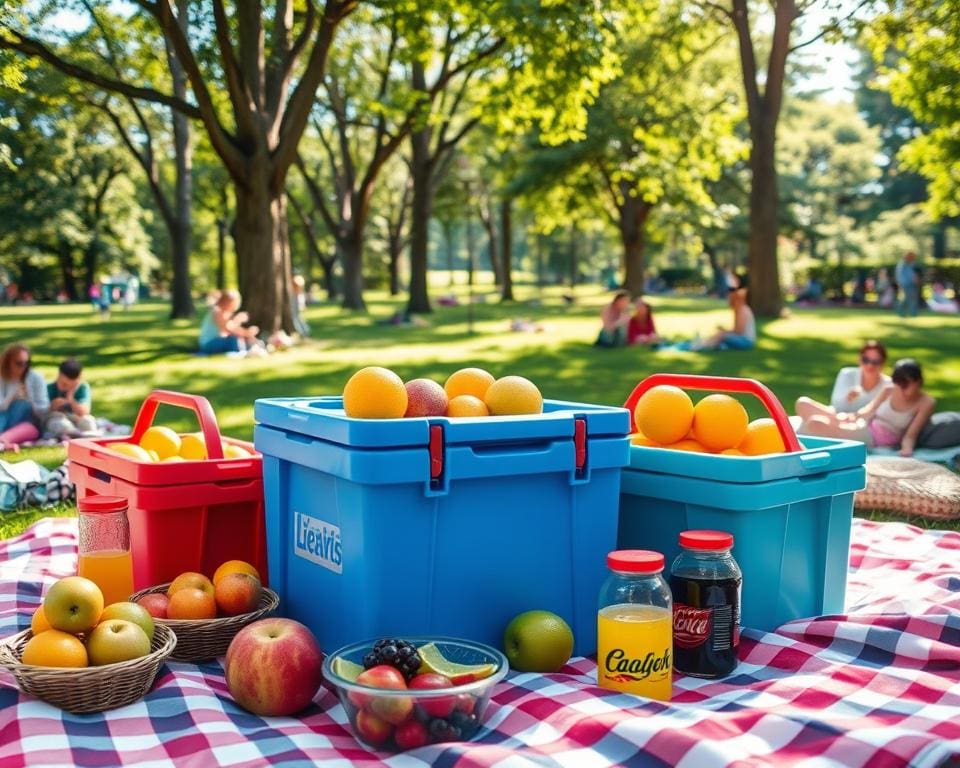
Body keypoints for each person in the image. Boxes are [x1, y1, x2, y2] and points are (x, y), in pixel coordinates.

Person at [798, 359, 935, 457]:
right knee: (803, 404)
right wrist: (851, 418)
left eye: (905, 386)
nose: (900, 390)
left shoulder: (926, 402)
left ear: (918, 382)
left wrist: (906, 450)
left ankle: (824, 432)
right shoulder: (889, 389)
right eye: (897, 384)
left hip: (877, 438)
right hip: (866, 424)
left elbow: (911, 434)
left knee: (816, 423)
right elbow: (869, 410)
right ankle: (832, 425)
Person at [795, 341, 891, 422]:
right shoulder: (847, 374)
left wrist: (856, 417)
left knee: (817, 422)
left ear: (883, 363)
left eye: (876, 362)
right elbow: (836, 405)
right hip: (836, 417)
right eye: (866, 360)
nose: (870, 365)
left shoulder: (888, 385)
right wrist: (848, 398)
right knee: (802, 403)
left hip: (862, 424)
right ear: (859, 360)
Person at [0, 344, 49, 452]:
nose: (23, 367)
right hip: (5, 418)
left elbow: (43, 411)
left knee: (22, 406)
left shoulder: (35, 377)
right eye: (19, 363)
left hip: (29, 422)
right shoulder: (3, 377)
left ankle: (3, 440)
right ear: (8, 363)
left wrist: (29, 397)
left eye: (27, 363)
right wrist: (13, 396)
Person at [198, 290, 265, 356]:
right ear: (226, 302)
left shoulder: (224, 313)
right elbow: (228, 329)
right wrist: (245, 331)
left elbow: (231, 329)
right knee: (234, 339)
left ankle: (250, 350)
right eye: (233, 303)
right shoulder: (217, 311)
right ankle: (242, 353)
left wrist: (246, 334)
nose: (234, 306)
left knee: (238, 338)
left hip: (217, 341)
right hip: (208, 344)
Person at [43, 358, 99, 438]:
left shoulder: (82, 387)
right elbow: (42, 413)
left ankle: (83, 435)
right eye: (62, 383)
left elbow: (84, 412)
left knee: (88, 421)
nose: (63, 387)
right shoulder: (49, 388)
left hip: (76, 418)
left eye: (68, 385)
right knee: (60, 424)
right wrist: (53, 406)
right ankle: (74, 435)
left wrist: (71, 399)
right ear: (59, 375)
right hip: (57, 418)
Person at [895, 251, 920, 317]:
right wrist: (900, 284)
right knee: (905, 299)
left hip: (912, 284)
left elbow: (914, 274)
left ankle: (913, 313)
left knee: (912, 298)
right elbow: (899, 275)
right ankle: (901, 312)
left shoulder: (912, 264)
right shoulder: (902, 264)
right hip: (905, 284)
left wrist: (916, 280)